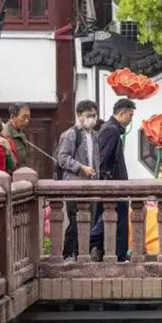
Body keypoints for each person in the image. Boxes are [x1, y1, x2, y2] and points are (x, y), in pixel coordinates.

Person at [90, 98, 136, 262]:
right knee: (114, 222)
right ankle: (115, 254)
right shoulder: (111, 130)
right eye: (130, 115)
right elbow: (101, 160)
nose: (131, 119)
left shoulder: (111, 129)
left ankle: (112, 252)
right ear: (122, 113)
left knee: (113, 222)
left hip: (115, 184)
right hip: (113, 186)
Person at [56, 100, 100, 259]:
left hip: (92, 184)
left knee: (88, 221)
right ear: (79, 116)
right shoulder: (70, 134)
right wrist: (81, 167)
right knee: (76, 221)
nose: (92, 119)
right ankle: (70, 254)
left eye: (94, 115)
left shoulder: (94, 136)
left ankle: (78, 253)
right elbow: (62, 158)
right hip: (75, 184)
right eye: (89, 116)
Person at [2, 102, 31, 169]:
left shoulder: (20, 131)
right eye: (24, 117)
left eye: (28, 117)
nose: (26, 121)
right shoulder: (5, 134)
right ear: (12, 117)